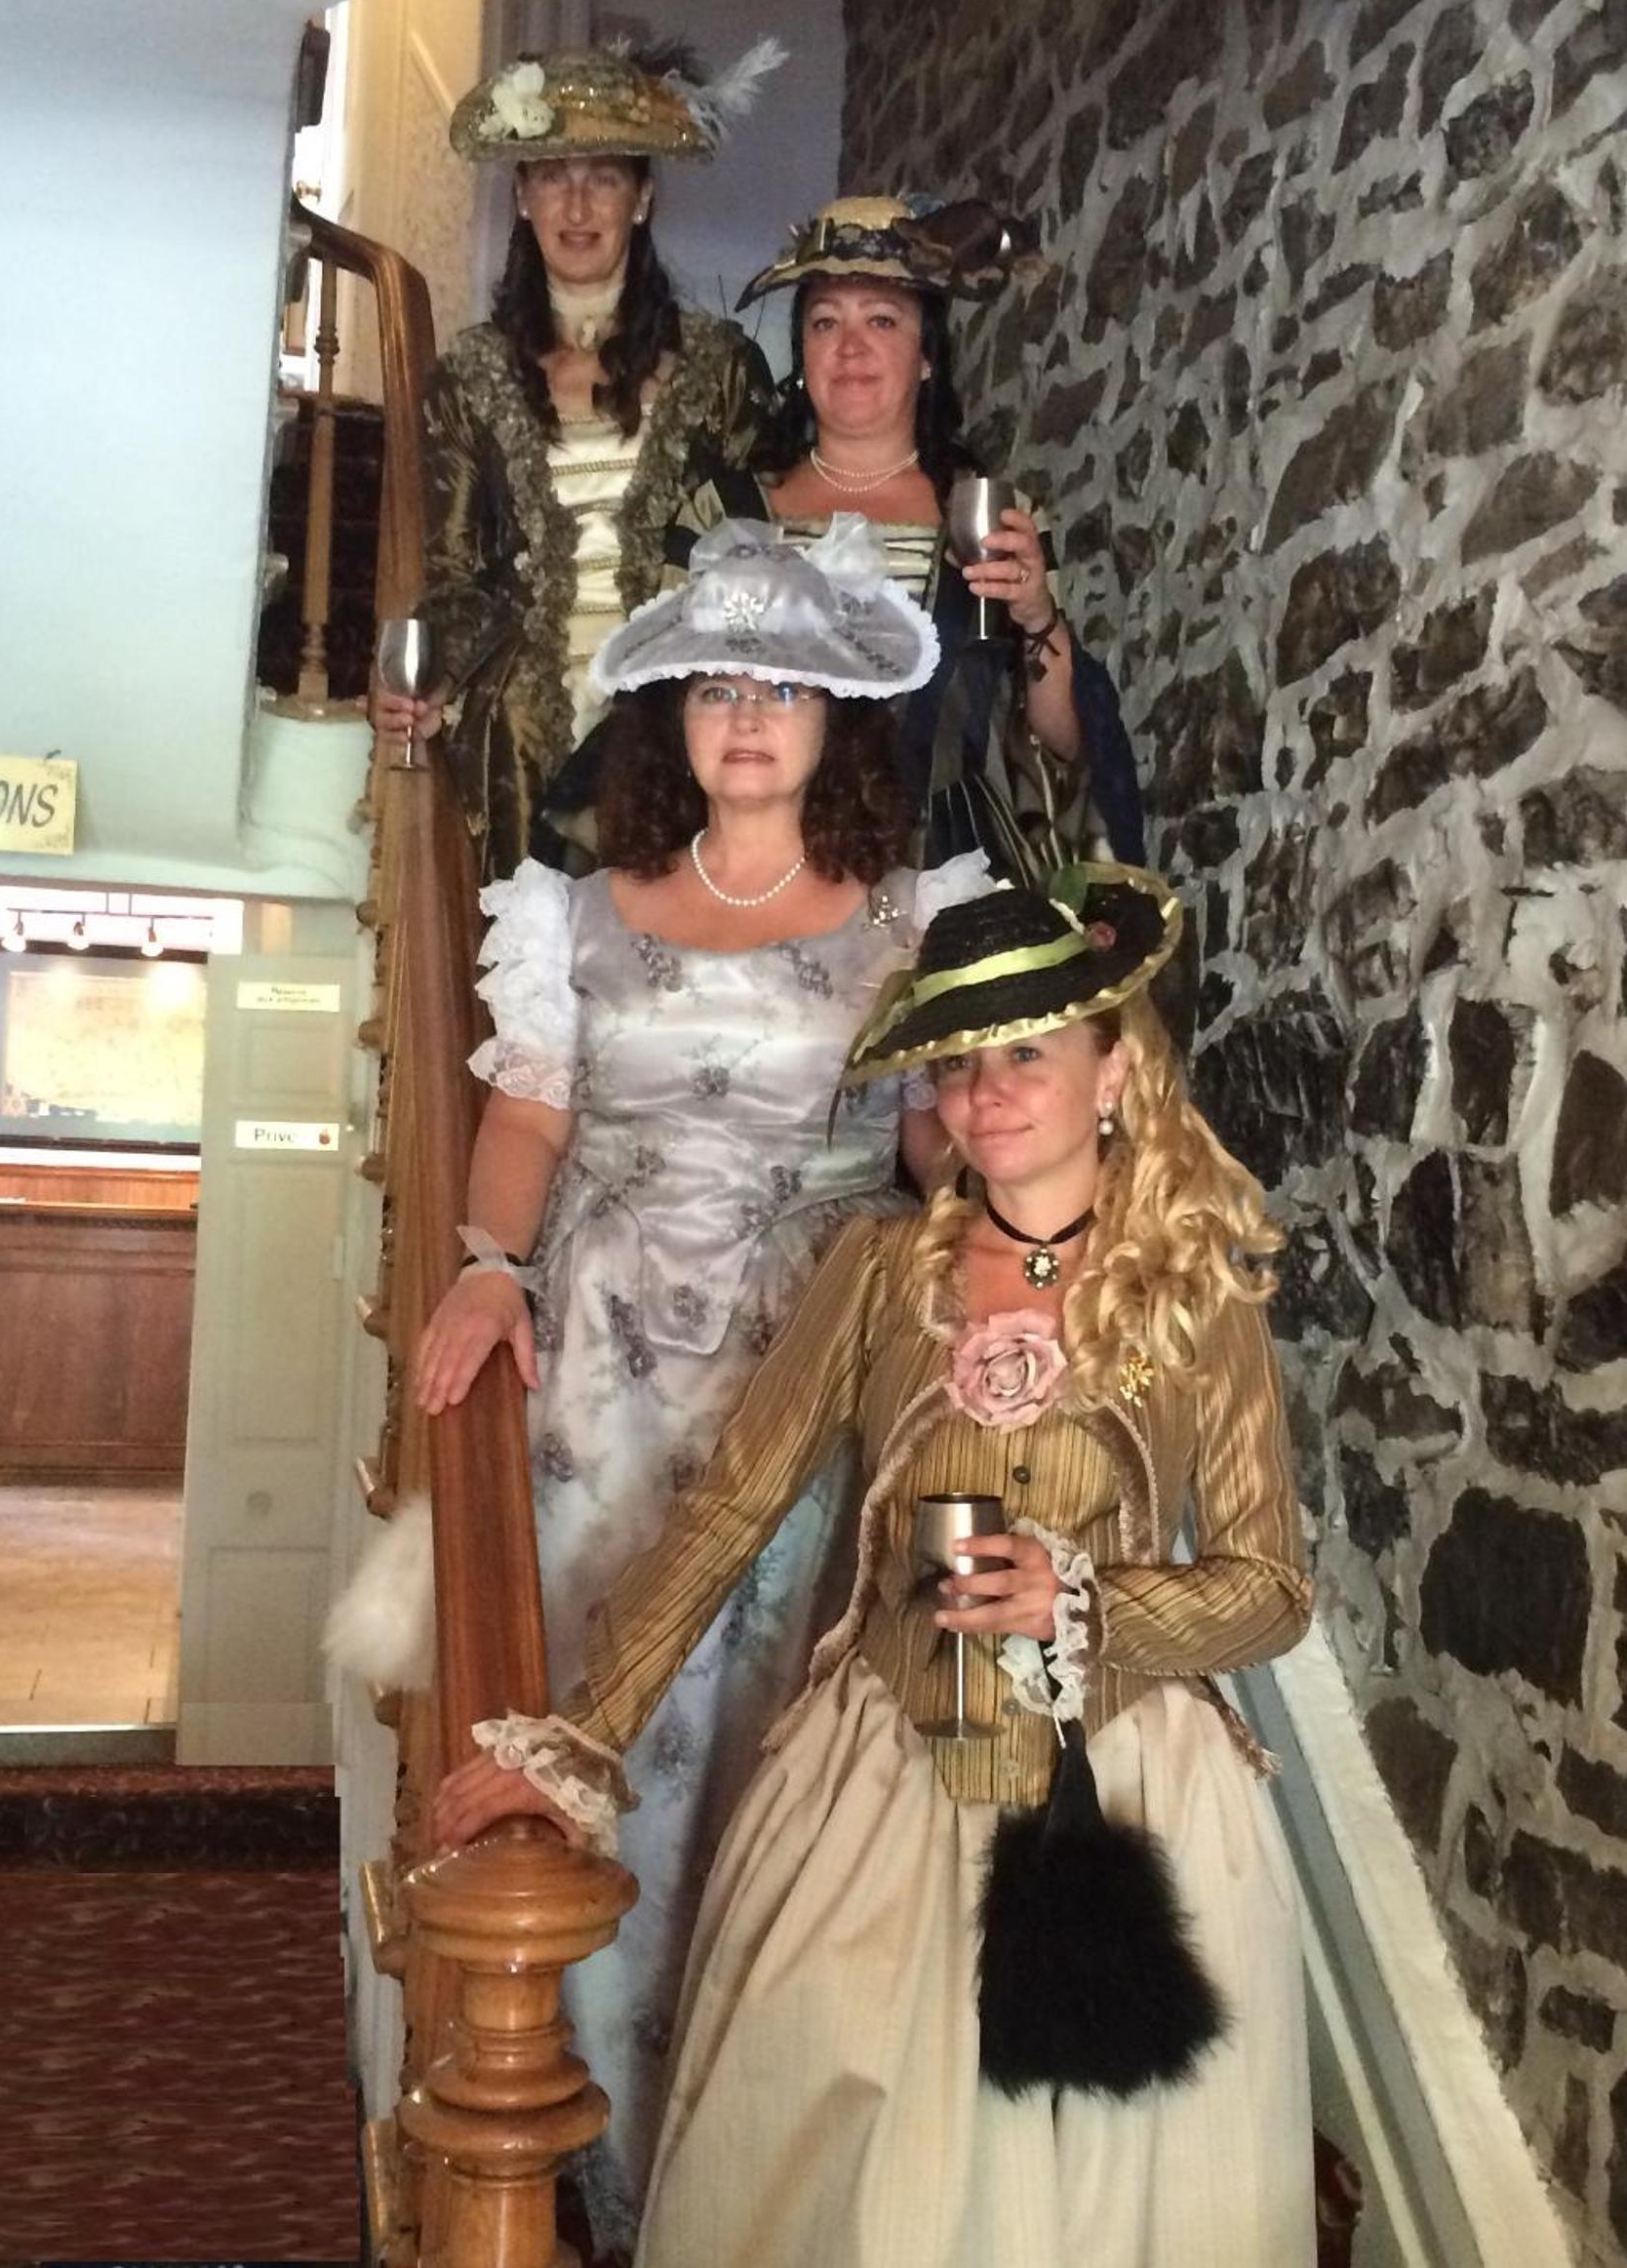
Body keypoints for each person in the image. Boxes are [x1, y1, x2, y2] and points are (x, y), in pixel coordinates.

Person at [436, 864, 1316, 2268]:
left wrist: (1089, 1603)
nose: (986, 1094)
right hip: (883, 1771)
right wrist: (582, 1734)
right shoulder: (877, 1267)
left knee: (1100, 2201)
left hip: (1126, 1793)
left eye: (1026, 1056)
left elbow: (1271, 1590)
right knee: (837, 2150)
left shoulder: (1199, 1290)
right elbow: (732, 1508)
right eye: (958, 1066)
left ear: (1112, 1075)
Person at [361, 517, 990, 2253]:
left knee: (768, 1746)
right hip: (604, 1374)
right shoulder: (570, 913)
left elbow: (935, 1148)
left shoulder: (914, 919)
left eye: (781, 690)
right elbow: (531, 1116)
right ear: (675, 721)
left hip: (811, 1374)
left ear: (833, 722)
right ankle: (594, 2146)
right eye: (719, 689)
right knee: (593, 1708)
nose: (749, 718)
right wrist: (485, 1267)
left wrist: (1001, 1245)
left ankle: (751, 2159)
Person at [555, 192, 1146, 877]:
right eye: (826, 322)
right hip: (748, 869)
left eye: (882, 319)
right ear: (802, 351)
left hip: (931, 874)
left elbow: (1062, 751)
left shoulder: (988, 517)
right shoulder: (724, 511)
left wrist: (1038, 615)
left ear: (927, 355)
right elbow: (663, 715)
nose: (851, 347)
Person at [369, 38, 782, 878]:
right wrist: (422, 674)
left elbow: (762, 555)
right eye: (554, 175)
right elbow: (456, 576)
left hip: (681, 711)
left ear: (643, 198)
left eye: (605, 176)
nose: (579, 203)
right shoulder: (472, 376)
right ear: (523, 196)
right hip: (525, 726)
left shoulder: (722, 367)